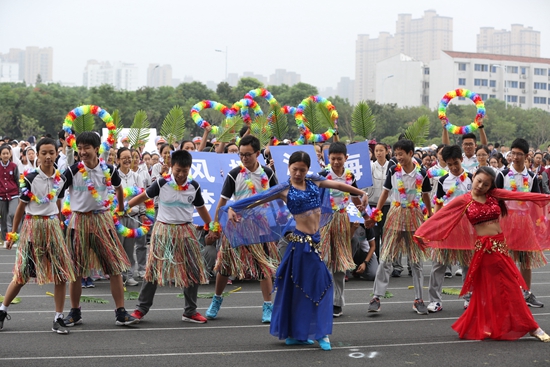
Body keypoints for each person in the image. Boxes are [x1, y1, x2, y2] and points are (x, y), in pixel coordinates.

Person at [221, 150, 369, 350]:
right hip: (299, 245)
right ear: (288, 168)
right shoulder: (284, 189)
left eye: (302, 169)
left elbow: (338, 185)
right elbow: (259, 199)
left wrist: (360, 193)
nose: (298, 173)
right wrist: (233, 207)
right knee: (319, 284)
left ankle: (297, 334)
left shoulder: (315, 181)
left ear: (308, 169)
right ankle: (321, 334)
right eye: (294, 169)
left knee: (305, 288)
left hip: (315, 242)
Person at [414, 166, 550, 342]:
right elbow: (441, 216)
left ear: (490, 186)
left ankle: (506, 325)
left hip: (500, 247)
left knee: (505, 287)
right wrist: (422, 232)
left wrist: (546, 198)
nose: (480, 186)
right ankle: (531, 327)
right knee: (495, 289)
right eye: (479, 181)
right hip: (484, 250)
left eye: (486, 184)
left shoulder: (494, 195)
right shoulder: (464, 200)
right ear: (474, 177)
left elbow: (522, 196)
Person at [60, 132, 137, 327]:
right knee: (76, 271)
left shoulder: (109, 170)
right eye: (80, 147)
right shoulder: (72, 171)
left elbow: (119, 188)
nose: (83, 151)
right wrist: (60, 215)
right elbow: (57, 192)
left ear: (96, 149)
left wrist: (119, 208)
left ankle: (121, 312)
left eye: (87, 147)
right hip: (79, 223)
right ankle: (75, 312)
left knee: (114, 268)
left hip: (102, 221)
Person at [0, 138, 75, 333]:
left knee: (61, 275)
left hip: (52, 227)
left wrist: (60, 221)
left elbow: (58, 202)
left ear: (55, 154)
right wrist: (12, 234)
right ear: (38, 155)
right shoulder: (29, 178)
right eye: (44, 153)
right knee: (22, 275)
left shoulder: (61, 179)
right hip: (33, 228)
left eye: (51, 152)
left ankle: (58, 318)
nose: (48, 156)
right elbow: (20, 209)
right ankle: (2, 310)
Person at [128, 150, 211, 323]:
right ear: (171, 167)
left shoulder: (193, 186)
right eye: (178, 170)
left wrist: (211, 226)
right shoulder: (161, 183)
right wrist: (124, 206)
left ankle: (190, 311)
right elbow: (143, 196)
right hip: (163, 230)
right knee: (152, 272)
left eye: (185, 171)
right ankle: (141, 309)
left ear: (189, 169)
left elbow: (201, 208)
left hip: (186, 231)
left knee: (192, 271)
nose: (181, 174)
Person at [206, 135, 280, 323]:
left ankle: (267, 306)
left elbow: (276, 199)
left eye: (248, 155)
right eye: (241, 155)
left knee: (263, 267)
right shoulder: (234, 174)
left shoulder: (268, 173)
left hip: (260, 226)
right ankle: (216, 300)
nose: (244, 158)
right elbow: (222, 202)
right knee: (224, 266)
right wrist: (215, 227)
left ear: (257, 153)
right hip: (236, 226)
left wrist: (277, 221)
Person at [365, 139, 432, 315]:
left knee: (416, 261)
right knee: (386, 257)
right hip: (395, 215)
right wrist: (376, 214)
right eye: (396, 154)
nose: (398, 157)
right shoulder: (393, 171)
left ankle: (419, 299)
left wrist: (430, 215)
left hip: (415, 217)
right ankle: (376, 297)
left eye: (401, 154)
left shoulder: (422, 173)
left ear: (411, 153)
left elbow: (425, 196)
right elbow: (385, 192)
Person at [495, 138, 545, 308]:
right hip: (506, 221)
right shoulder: (501, 175)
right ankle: (506, 293)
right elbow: (496, 200)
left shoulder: (531, 177)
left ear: (526, 156)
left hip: (524, 223)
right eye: (513, 153)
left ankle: (526, 293)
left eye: (519, 154)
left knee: (526, 261)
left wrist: (540, 222)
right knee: (505, 260)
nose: (515, 157)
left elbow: (537, 201)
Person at [318, 142, 363, 318]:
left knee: (340, 264)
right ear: (328, 158)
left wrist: (361, 217)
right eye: (333, 158)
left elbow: (356, 199)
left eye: (339, 158)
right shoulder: (322, 176)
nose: (336, 162)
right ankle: (325, 299)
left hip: (343, 220)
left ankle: (338, 302)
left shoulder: (350, 177)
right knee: (326, 260)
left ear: (346, 158)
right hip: (325, 221)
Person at [427, 145, 473, 312]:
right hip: (447, 227)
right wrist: (434, 224)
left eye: (456, 163)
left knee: (467, 263)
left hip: (467, 228)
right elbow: (438, 205)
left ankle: (469, 298)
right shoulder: (442, 181)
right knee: (439, 263)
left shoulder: (472, 179)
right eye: (449, 164)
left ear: (461, 159)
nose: (453, 167)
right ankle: (435, 300)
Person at [116, 148, 146, 286]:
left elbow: (141, 196)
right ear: (118, 160)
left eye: (130, 157)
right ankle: (117, 275)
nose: (127, 160)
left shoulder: (136, 177)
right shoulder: (114, 176)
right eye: (124, 158)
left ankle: (129, 275)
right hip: (118, 218)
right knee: (118, 246)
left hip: (133, 217)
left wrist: (142, 213)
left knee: (129, 247)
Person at [368, 143, 393, 263]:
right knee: (375, 234)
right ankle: (376, 260)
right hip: (373, 204)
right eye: (376, 151)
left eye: (381, 150)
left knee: (387, 233)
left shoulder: (392, 166)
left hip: (388, 205)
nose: (378, 153)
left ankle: (387, 260)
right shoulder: (371, 166)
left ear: (387, 152)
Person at [0, 145, 19, 245]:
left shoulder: (14, 166)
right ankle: (5, 239)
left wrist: (20, 194)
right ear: (0, 155)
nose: (5, 155)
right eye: (3, 153)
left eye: (7, 153)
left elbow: (17, 180)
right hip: (1, 195)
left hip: (14, 194)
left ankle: (13, 237)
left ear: (10, 154)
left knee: (12, 214)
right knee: (3, 217)